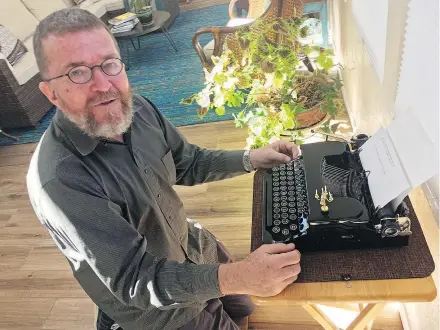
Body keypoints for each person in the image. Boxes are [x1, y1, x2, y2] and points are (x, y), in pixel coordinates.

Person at [26, 8, 302, 330]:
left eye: (109, 64)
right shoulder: (61, 179)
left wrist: (250, 158)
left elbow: (188, 162)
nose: (104, 85)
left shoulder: (138, 109)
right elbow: (136, 279)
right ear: (51, 93)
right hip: (162, 309)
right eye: (77, 72)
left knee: (245, 306)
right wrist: (239, 276)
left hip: (195, 249)